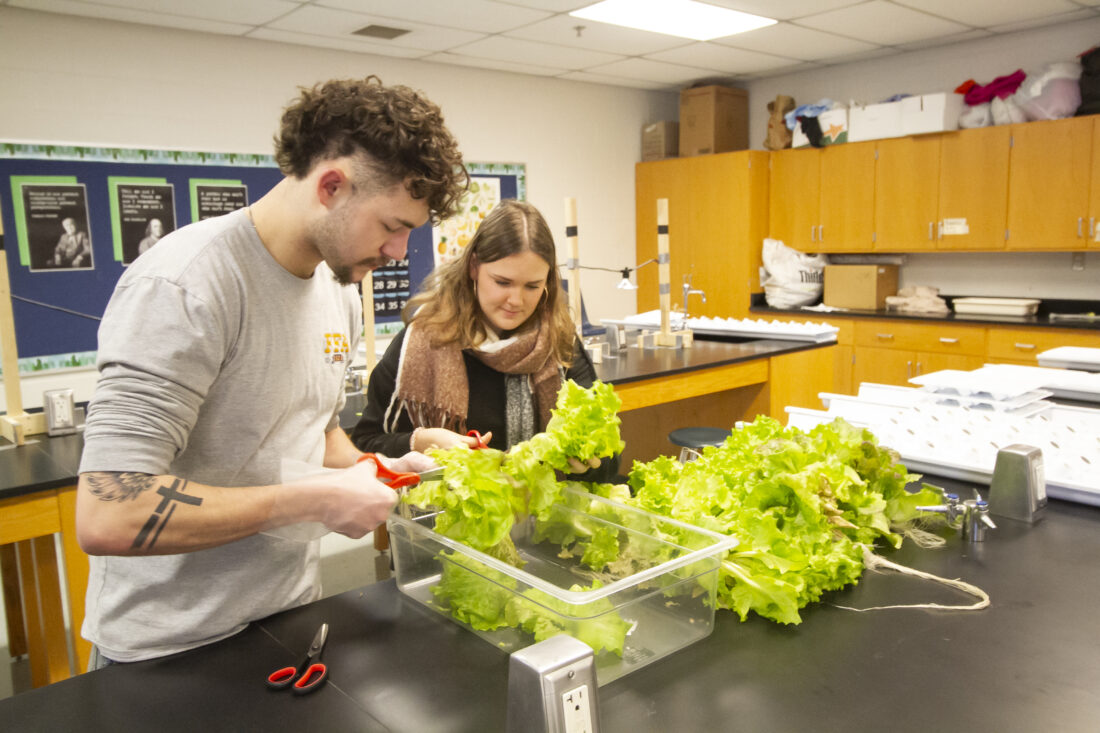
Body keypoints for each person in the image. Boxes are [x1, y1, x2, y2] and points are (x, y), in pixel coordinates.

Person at [76, 76, 468, 667]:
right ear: (331, 186)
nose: (397, 252)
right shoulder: (187, 286)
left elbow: (318, 432)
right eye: (392, 226)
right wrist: (311, 501)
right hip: (168, 649)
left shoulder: (336, 290)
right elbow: (109, 513)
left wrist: (382, 468)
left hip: (288, 618)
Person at [351, 199, 620, 482]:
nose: (516, 301)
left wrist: (590, 459)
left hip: (541, 521)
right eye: (502, 282)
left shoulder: (559, 341)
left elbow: (610, 461)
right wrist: (420, 440)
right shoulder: (423, 341)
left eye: (532, 286)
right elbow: (364, 446)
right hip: (440, 523)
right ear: (474, 267)